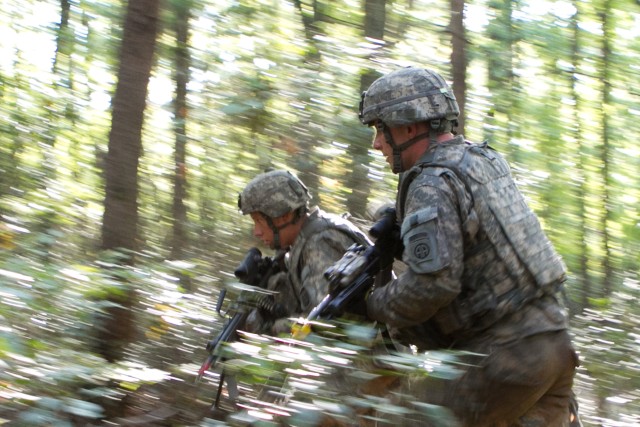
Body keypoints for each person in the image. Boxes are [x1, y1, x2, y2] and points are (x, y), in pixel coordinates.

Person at [358, 66, 580, 426]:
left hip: (506, 356)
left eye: (380, 129)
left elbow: (433, 284)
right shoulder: (483, 160)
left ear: (408, 127)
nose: (376, 143)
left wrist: (373, 304)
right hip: (554, 342)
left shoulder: (430, 182)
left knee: (393, 419)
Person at [237, 169, 372, 336]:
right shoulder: (296, 247)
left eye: (259, 221)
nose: (256, 232)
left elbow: (324, 324)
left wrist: (269, 329)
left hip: (371, 357)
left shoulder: (319, 243)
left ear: (284, 215)